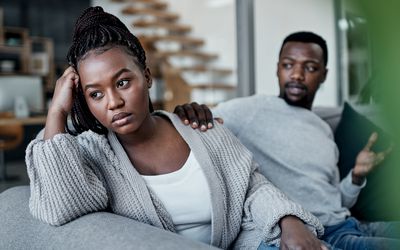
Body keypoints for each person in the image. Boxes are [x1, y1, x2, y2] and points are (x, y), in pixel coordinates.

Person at [25, 7, 327, 250]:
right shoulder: (91, 154)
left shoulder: (200, 128)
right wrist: (57, 112)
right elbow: (61, 206)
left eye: (123, 82)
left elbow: (251, 186)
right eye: (96, 94)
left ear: (146, 76)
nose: (114, 102)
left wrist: (290, 222)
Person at [174, 31, 400, 249]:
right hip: (321, 234)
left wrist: (357, 175)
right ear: (277, 69)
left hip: (352, 224)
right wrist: (190, 111)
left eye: (310, 67)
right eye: (288, 65)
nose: (297, 75)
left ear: (324, 74)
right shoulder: (252, 110)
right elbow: (197, 120)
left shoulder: (324, 129)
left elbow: (335, 201)